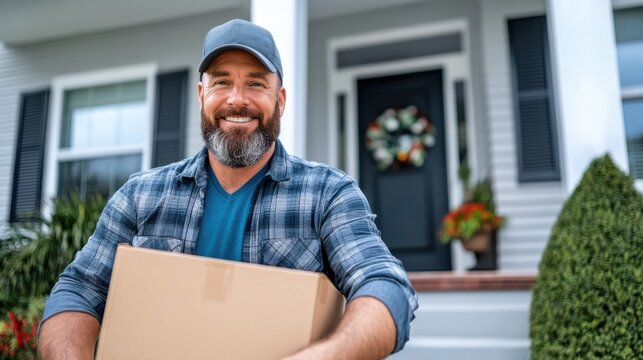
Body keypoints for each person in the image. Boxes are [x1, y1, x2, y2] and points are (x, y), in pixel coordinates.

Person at [38, 19, 418, 360]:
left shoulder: (327, 194)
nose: (237, 99)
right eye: (222, 82)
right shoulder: (141, 195)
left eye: (255, 82)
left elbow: (384, 285)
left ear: (280, 101)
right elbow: (79, 289)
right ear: (201, 94)